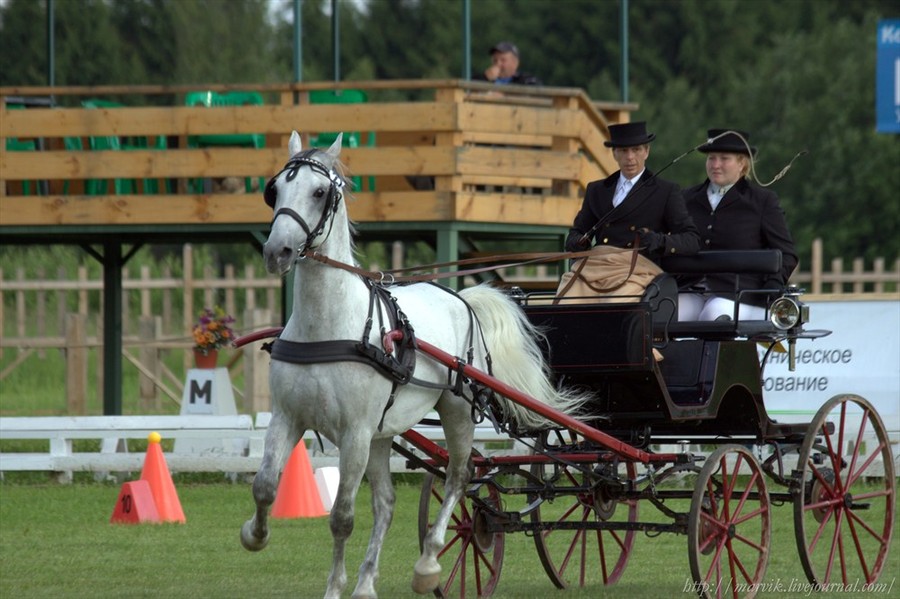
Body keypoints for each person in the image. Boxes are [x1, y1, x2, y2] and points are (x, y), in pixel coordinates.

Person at [677, 129, 799, 321]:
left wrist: (773, 285)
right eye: (711, 158)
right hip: (692, 287)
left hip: (741, 292)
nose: (715, 165)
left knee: (713, 315)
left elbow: (787, 253)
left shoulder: (761, 201)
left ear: (742, 163)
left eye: (724, 159)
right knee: (664, 314)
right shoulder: (687, 198)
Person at [565, 121, 700, 262]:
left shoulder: (666, 191)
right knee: (569, 283)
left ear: (646, 151)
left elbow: (692, 240)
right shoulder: (596, 190)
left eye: (636, 150)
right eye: (623, 151)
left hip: (638, 268)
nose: (630, 157)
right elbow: (576, 233)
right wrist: (578, 242)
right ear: (614, 154)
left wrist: (658, 241)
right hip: (599, 263)